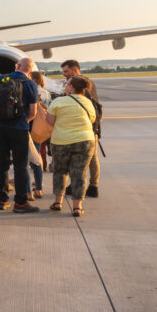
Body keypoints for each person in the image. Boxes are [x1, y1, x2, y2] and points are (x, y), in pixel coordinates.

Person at [0, 58, 40, 213]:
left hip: (0, 127)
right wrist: (22, 121)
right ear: (30, 69)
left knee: (2, 164)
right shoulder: (30, 84)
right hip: (19, 128)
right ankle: (20, 203)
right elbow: (33, 112)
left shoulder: (1, 79)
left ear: (18, 66)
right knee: (21, 166)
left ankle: (3, 199)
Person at [46, 76, 96, 216]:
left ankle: (58, 202)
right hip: (84, 141)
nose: (65, 86)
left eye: (67, 84)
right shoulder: (88, 102)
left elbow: (49, 121)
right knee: (79, 174)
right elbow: (92, 119)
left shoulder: (58, 101)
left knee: (60, 171)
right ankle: (77, 207)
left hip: (61, 141)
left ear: (71, 87)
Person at [61, 60, 100, 197]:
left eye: (66, 71)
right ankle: (94, 186)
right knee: (93, 158)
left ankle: (76, 185)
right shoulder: (90, 83)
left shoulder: (78, 85)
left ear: (75, 70)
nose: (64, 75)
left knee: (76, 158)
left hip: (79, 127)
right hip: (92, 126)